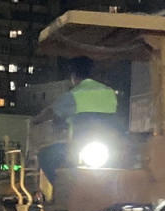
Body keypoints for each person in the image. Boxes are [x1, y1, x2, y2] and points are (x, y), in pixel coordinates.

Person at [33, 56, 118, 188]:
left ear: (73, 76)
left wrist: (35, 120)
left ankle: (61, 190)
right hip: (112, 145)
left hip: (80, 146)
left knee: (45, 155)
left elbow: (52, 112)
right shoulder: (109, 92)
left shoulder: (73, 94)